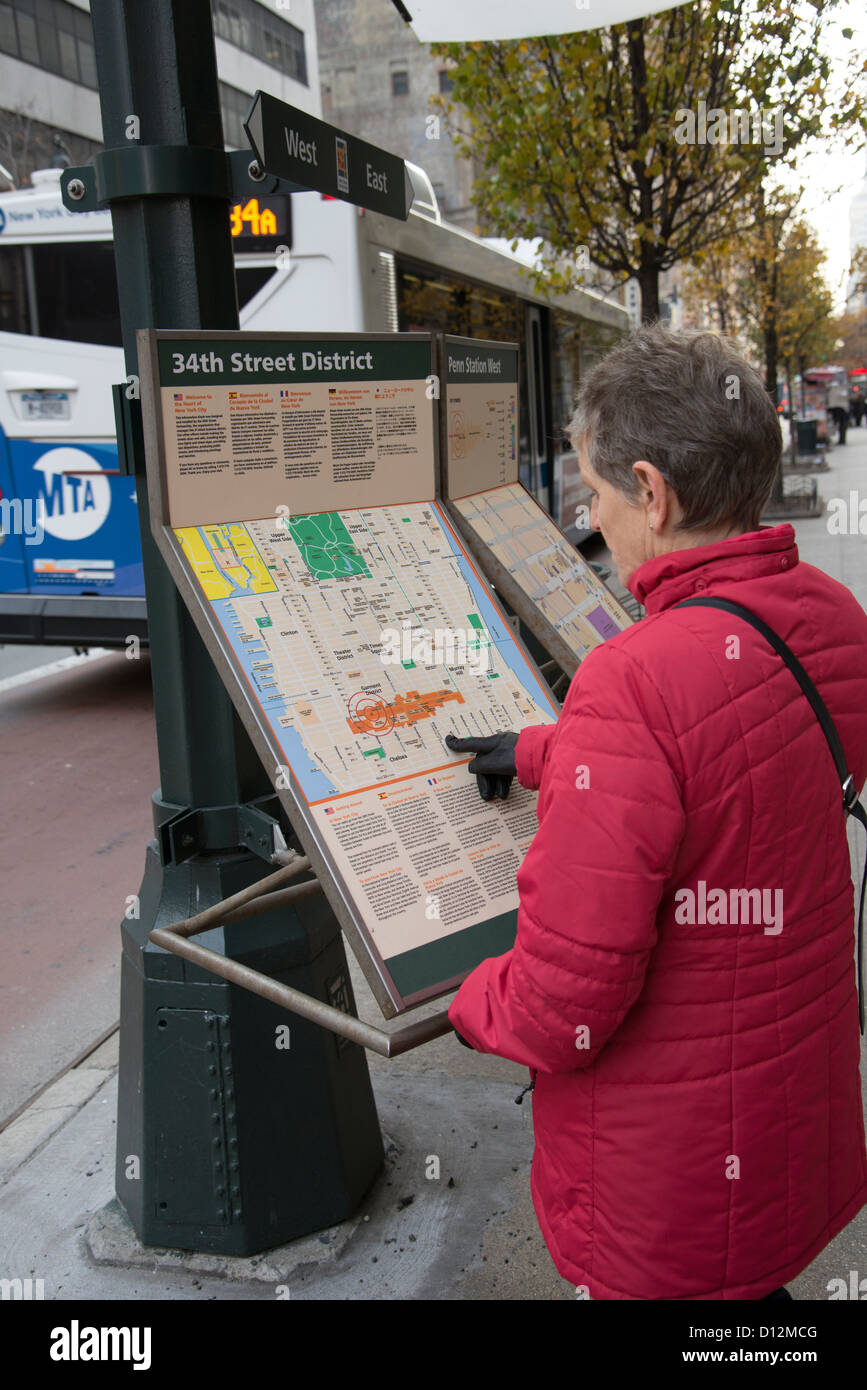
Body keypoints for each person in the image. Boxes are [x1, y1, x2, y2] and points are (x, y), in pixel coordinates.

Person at [444, 324, 867, 1301]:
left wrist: (466, 1006)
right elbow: (741, 760)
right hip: (789, 1107)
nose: (590, 514)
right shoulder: (832, 618)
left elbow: (561, 1011)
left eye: (593, 494)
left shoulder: (632, 681)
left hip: (664, 1171)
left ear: (652, 491)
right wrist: (547, 750)